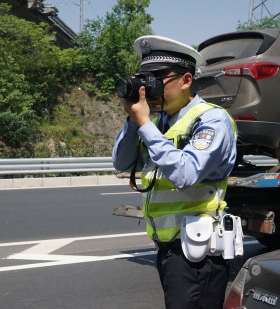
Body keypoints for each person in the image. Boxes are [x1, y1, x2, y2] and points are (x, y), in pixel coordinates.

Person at [112, 35, 237, 308]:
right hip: (169, 251)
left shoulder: (211, 119)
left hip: (199, 254)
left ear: (186, 80)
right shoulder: (158, 122)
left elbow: (186, 174)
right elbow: (121, 163)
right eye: (145, 78)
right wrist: (134, 121)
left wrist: (145, 124)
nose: (150, 86)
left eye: (157, 78)